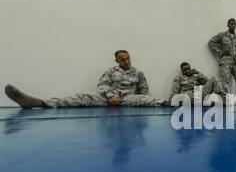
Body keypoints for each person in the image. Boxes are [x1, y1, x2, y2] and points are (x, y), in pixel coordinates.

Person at [5, 50, 166, 108]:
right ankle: (39, 102)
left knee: (149, 100)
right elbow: (102, 84)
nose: (126, 61)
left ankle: (173, 102)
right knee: (80, 97)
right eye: (122, 59)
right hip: (108, 99)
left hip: (128, 98)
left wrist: (145, 100)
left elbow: (144, 90)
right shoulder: (110, 70)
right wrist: (111, 95)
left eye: (128, 58)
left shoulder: (138, 72)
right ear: (116, 60)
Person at [208, 18, 236, 95]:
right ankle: (226, 99)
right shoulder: (222, 35)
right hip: (225, 61)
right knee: (224, 80)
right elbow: (211, 43)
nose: (233, 25)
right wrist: (220, 52)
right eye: (231, 23)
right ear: (228, 25)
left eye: (234, 24)